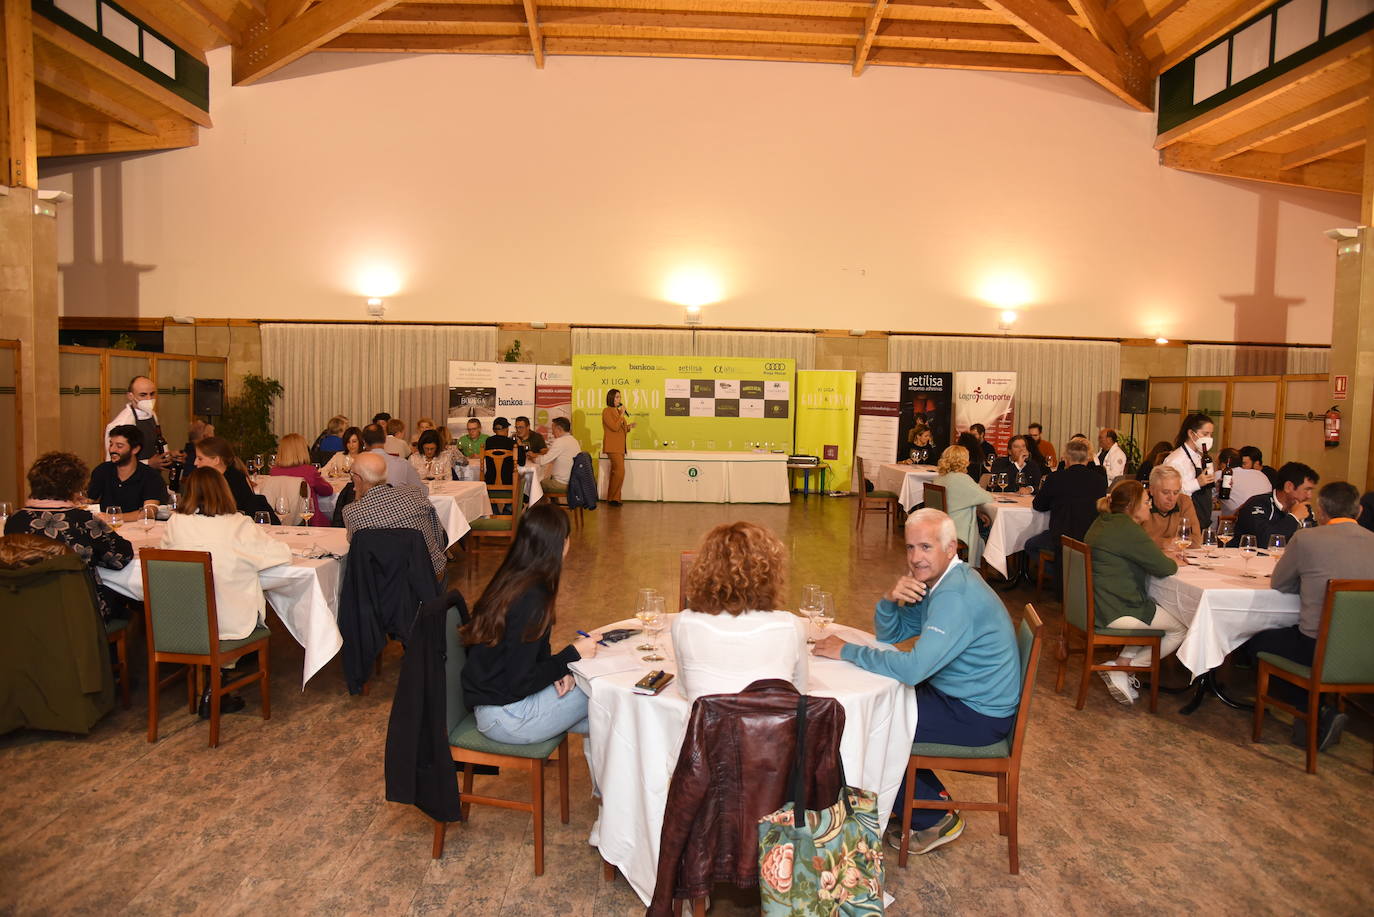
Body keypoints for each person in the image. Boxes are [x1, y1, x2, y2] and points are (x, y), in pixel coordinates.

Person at [812, 509, 1020, 855]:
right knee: (880, 711)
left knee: (872, 723)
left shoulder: (955, 597)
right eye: (910, 548)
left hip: (978, 715)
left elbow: (912, 670)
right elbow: (891, 633)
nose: (916, 558)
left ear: (950, 548)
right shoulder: (943, 582)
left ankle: (933, 818)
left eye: (926, 547)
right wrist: (889, 599)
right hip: (958, 695)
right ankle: (909, 801)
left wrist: (846, 650)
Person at [1244, 482, 1374, 749]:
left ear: (1322, 511)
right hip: (1367, 652)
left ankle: (1315, 713)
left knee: (1255, 643)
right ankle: (1318, 713)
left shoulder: (1307, 539)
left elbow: (1280, 584)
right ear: (1359, 511)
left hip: (1316, 648)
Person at [459, 504, 600, 745]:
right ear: (561, 544)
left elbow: (523, 656)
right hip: (507, 716)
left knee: (605, 715)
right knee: (603, 696)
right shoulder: (532, 599)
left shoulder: (511, 580)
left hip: (493, 703)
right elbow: (520, 681)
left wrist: (558, 670)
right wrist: (572, 655)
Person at [672, 521, 809, 702]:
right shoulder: (790, 625)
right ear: (770, 573)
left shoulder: (684, 622)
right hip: (768, 729)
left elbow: (684, 690)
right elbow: (799, 692)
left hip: (707, 728)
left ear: (704, 570)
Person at [1084, 479, 1188, 705]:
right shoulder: (1128, 530)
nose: (1149, 506)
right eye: (1146, 501)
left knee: (1154, 611)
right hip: (1116, 609)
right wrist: (1172, 559)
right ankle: (1124, 669)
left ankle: (1121, 664)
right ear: (1132, 506)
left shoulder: (1103, 521)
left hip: (1097, 603)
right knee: (1180, 627)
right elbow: (1165, 568)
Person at [161, 467, 292, 640]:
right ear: (224, 490)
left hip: (185, 620)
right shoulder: (238, 523)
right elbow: (280, 555)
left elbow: (164, 556)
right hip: (230, 622)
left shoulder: (176, 522)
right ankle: (227, 658)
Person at [5, 451, 134, 622]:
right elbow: (121, 557)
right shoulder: (83, 520)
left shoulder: (15, 520)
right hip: (77, 612)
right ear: (74, 487)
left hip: (24, 608)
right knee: (130, 606)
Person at [343, 452, 448, 578]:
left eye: (352, 474)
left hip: (384, 585)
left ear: (358, 478)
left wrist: (358, 497)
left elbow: (356, 550)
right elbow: (438, 536)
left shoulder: (352, 512)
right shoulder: (414, 493)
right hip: (429, 577)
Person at [1025, 438, 1108, 572]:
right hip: (1089, 537)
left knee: (1030, 545)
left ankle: (1061, 575)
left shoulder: (1055, 478)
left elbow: (1038, 505)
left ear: (1067, 457)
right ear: (1089, 458)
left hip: (1060, 538)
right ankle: (1072, 575)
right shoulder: (1100, 481)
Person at [930, 445, 995, 568]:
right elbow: (987, 497)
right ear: (963, 461)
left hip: (940, 526)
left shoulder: (939, 478)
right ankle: (983, 570)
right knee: (989, 528)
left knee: (982, 520)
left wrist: (977, 512)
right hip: (957, 529)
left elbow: (957, 502)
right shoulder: (962, 479)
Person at [86, 424, 169, 520]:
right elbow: (89, 501)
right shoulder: (102, 470)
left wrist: (113, 517)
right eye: (111, 444)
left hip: (139, 530)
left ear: (135, 449)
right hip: (107, 530)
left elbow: (149, 512)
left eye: (119, 446)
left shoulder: (150, 476)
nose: (112, 449)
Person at [194, 436, 276, 522]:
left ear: (216, 460)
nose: (195, 463)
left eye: (200, 458)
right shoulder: (210, 479)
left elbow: (228, 514)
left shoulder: (234, 480)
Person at [1234, 462, 1318, 545]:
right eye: (1307, 489)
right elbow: (1265, 541)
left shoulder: (1303, 508)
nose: (1309, 496)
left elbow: (1314, 540)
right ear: (1288, 487)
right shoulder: (1257, 504)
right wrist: (1294, 517)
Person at [104, 375, 171, 470]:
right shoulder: (121, 423)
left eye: (152, 394)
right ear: (130, 396)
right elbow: (113, 462)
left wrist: (167, 456)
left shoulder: (152, 414)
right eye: (143, 395)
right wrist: (148, 463)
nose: (149, 399)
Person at [1164, 412, 1216, 530]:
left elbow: (1205, 491)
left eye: (1211, 434)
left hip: (1202, 519)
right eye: (1205, 434)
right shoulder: (1176, 460)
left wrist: (1215, 487)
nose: (1209, 438)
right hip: (1184, 520)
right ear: (1191, 433)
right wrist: (1197, 483)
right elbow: (1169, 492)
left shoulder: (1201, 457)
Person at [269, 433, 332, 527]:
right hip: (309, 520)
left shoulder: (274, 472)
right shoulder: (309, 471)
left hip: (282, 519)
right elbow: (327, 491)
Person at [1140, 464, 1201, 549]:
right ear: (1152, 490)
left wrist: (1155, 542)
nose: (1171, 498)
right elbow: (1132, 540)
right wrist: (1164, 543)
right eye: (1165, 492)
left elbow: (1196, 540)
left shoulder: (1184, 502)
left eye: (1176, 492)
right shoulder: (1140, 504)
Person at [362, 423, 426, 492]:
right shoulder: (402, 463)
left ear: (364, 442)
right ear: (385, 439)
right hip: (398, 501)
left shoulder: (359, 464)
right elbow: (422, 490)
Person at [602, 389, 634, 506]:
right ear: (611, 398)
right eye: (616, 397)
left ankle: (613, 498)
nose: (619, 399)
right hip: (613, 446)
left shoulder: (617, 411)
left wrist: (629, 426)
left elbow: (621, 429)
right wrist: (621, 414)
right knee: (620, 472)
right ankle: (614, 498)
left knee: (616, 473)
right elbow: (614, 427)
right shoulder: (607, 411)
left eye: (619, 397)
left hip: (620, 447)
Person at [1221, 446, 1272, 515]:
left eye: (1244, 463)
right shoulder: (1260, 475)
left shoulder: (1268, 475)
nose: (1242, 467)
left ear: (1256, 464)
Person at [536, 417, 580, 493]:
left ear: (559, 429)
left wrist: (533, 458)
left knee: (537, 484)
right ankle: (552, 504)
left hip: (562, 483)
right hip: (573, 481)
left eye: (553, 430)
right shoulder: (574, 440)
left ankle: (539, 504)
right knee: (547, 478)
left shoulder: (560, 441)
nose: (552, 433)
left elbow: (543, 461)